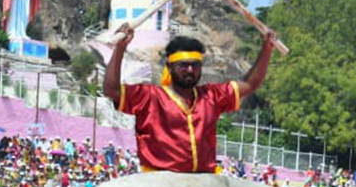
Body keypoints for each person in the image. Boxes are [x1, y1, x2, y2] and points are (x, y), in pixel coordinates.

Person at [103, 29, 276, 173]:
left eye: (195, 65)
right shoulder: (149, 97)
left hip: (203, 184)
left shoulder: (212, 96)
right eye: (183, 65)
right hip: (159, 183)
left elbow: (250, 84)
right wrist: (120, 48)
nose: (190, 70)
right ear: (169, 67)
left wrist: (267, 48)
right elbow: (112, 90)